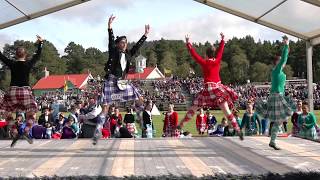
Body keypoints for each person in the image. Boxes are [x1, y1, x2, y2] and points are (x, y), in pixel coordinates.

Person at [179, 33, 243, 140]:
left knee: (194, 107)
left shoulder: (204, 62)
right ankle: (238, 129)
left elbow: (194, 54)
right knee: (226, 111)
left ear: (206, 55)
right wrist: (222, 40)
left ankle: (181, 125)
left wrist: (188, 43)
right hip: (217, 89)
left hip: (207, 89)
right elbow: (220, 51)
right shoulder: (217, 60)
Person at [0, 35, 44, 146]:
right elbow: (38, 55)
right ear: (26, 55)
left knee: (6, 112)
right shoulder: (28, 63)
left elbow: (1, 56)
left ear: (15, 55)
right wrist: (41, 43)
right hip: (25, 91)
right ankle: (26, 131)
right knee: (32, 113)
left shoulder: (12, 63)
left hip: (13, 91)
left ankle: (15, 131)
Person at [255, 36, 295, 150]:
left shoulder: (277, 71)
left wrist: (288, 47)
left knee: (280, 120)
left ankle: (272, 140)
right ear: (277, 62)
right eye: (281, 61)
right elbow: (284, 59)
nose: (284, 63)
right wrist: (286, 45)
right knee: (284, 116)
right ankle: (272, 140)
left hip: (277, 95)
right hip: (277, 95)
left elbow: (285, 59)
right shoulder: (277, 69)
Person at [102, 14, 150, 107]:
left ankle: (141, 114)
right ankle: (103, 117)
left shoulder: (128, 54)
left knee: (137, 95)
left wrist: (145, 35)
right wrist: (109, 26)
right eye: (122, 42)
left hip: (122, 80)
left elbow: (137, 46)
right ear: (118, 44)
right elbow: (111, 40)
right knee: (106, 104)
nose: (124, 44)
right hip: (111, 79)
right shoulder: (113, 51)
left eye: (126, 42)